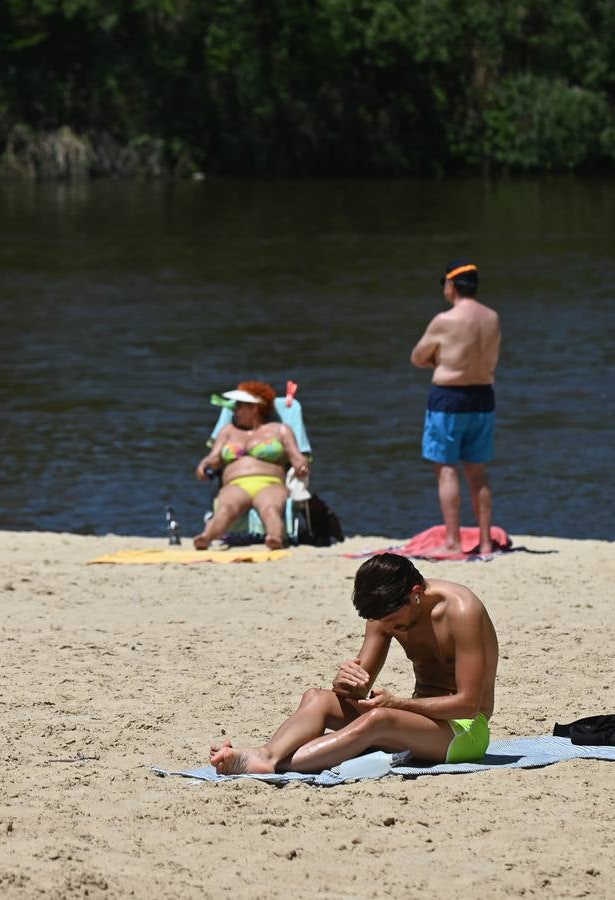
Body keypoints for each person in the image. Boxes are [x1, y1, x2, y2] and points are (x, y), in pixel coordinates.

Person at [209, 553, 499, 774]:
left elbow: (468, 705)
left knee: (380, 719)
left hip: (465, 732)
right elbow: (358, 689)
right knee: (316, 698)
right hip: (417, 724)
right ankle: (266, 755)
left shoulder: (462, 611)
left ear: (416, 595)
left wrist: (397, 704)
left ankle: (273, 763)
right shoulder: (385, 614)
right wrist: (344, 682)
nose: (389, 629)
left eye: (394, 624)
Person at [410, 257, 502, 556]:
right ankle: (486, 542)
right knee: (478, 472)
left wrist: (438, 360)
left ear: (451, 285)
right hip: (483, 398)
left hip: (449, 398)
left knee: (447, 469)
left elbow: (417, 356)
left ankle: (453, 540)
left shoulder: (444, 320)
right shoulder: (492, 318)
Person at [192, 381, 311, 550]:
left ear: (254, 408)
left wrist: (304, 469)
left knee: (270, 508)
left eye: (239, 406)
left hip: (270, 483)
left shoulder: (280, 430)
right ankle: (206, 537)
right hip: (236, 484)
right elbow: (214, 457)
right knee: (226, 507)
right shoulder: (228, 431)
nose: (234, 410)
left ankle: (274, 538)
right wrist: (203, 466)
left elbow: (299, 459)